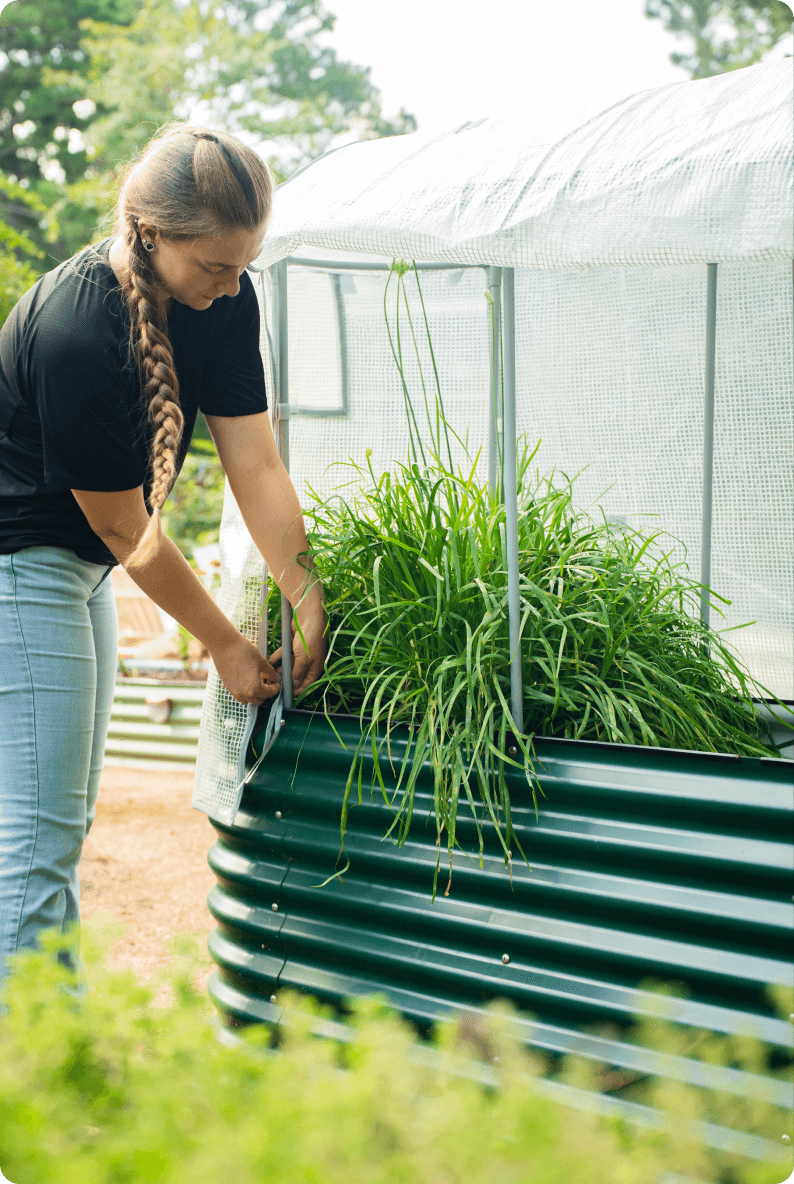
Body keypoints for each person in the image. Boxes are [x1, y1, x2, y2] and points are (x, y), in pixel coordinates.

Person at [0, 122, 326, 998]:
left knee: (59, 828)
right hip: (19, 567)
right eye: (212, 268)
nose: (227, 290)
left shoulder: (226, 302)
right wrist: (225, 642)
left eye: (241, 267)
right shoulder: (77, 328)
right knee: (37, 837)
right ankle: (30, 1075)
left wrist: (306, 592)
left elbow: (254, 462)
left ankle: (49, 1042)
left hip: (80, 567)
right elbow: (126, 530)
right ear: (149, 233)